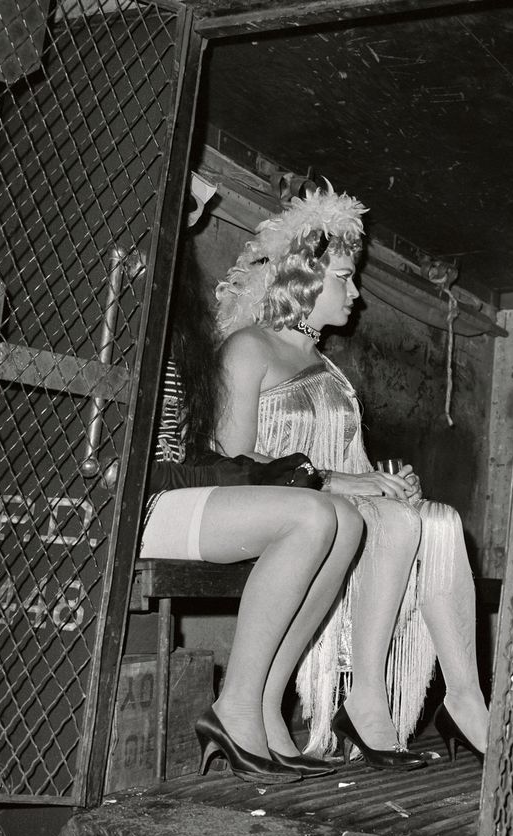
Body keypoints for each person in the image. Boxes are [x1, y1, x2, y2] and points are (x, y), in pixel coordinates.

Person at [212, 184, 489, 767]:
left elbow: (351, 465)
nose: (357, 293)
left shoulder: (328, 368)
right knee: (404, 523)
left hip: (331, 500)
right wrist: (342, 483)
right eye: (344, 276)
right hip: (280, 507)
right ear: (302, 278)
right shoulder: (248, 348)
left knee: (439, 521)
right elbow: (232, 462)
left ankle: (460, 699)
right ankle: (368, 699)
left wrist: (387, 481)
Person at [139, 240, 364, 782]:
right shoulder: (126, 318)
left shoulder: (180, 326)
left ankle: (264, 702)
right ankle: (234, 707)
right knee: (311, 516)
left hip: (180, 491)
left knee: (346, 520)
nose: (191, 223)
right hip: (140, 505)